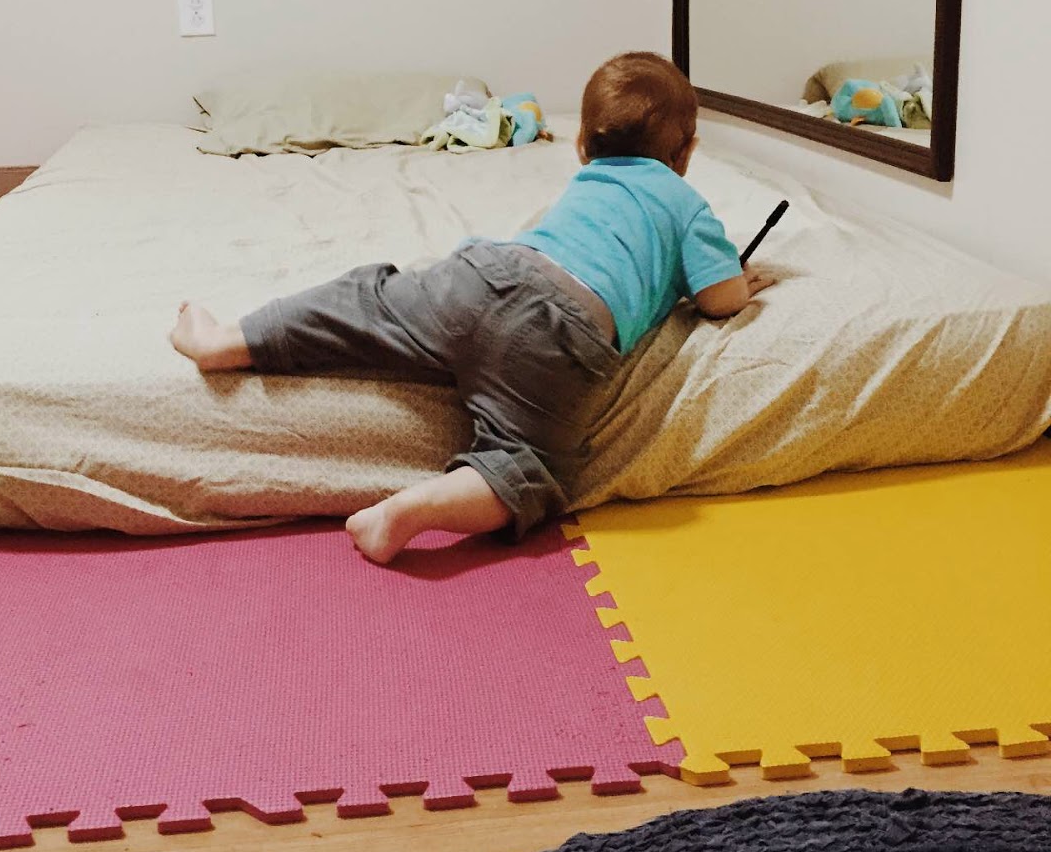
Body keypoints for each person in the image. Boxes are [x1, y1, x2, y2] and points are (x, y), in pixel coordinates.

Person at [171, 52, 773, 564]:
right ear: (688, 151)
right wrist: (742, 281)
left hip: (484, 274)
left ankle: (229, 339)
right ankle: (408, 512)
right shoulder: (685, 200)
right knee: (528, 468)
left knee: (366, 302)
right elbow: (720, 301)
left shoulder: (587, 183)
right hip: (564, 336)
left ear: (584, 145)